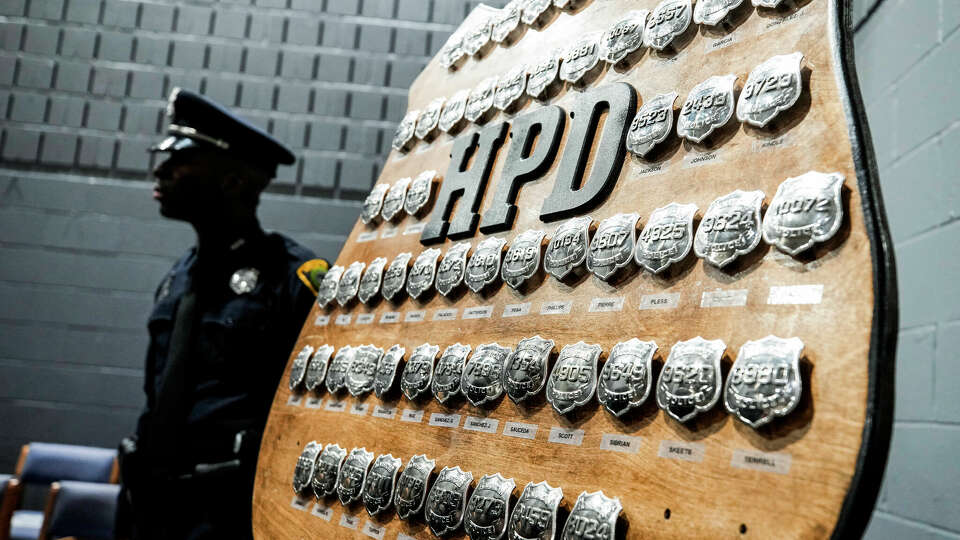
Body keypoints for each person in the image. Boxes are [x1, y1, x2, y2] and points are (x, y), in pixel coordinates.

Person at [116, 88, 327, 539]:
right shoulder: (179, 277)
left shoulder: (294, 278)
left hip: (226, 516)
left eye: (180, 161)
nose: (161, 170)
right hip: (149, 508)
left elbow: (318, 416)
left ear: (233, 182)